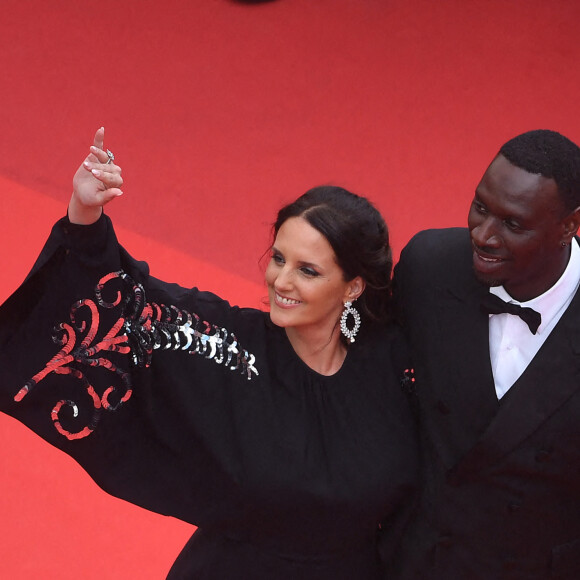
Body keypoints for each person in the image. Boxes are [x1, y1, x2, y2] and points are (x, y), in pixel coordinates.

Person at [0, 128, 417, 579]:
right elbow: (126, 301)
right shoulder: (225, 344)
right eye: (278, 258)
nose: (281, 281)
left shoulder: (396, 363)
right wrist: (86, 214)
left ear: (353, 286)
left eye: (307, 271)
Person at [392, 129, 580, 579]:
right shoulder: (429, 267)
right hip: (413, 561)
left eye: (512, 224)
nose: (483, 235)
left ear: (569, 226)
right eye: (480, 207)